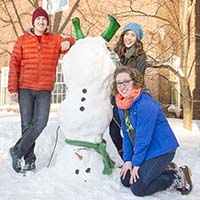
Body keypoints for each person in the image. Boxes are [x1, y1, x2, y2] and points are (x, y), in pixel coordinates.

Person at [8, 7, 75, 173]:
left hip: (44, 89)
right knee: (26, 124)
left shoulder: (54, 40)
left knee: (41, 123)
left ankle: (17, 151)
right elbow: (14, 64)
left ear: (47, 24)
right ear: (33, 22)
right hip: (25, 88)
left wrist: (70, 42)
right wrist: (12, 88)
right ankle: (29, 160)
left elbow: (70, 43)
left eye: (44, 19)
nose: (41, 22)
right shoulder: (22, 40)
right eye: (38, 19)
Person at [111, 66, 192, 196]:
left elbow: (143, 139)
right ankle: (161, 169)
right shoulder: (123, 105)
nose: (122, 86)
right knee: (126, 179)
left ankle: (176, 176)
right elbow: (127, 135)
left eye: (126, 81)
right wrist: (128, 160)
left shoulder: (145, 104)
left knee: (138, 188)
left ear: (135, 82)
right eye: (119, 82)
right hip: (147, 149)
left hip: (162, 149)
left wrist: (136, 163)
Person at [109, 22, 147, 158]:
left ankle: (140, 160)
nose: (129, 37)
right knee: (114, 132)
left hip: (132, 101)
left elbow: (136, 77)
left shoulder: (140, 56)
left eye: (133, 34)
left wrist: (119, 66)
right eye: (127, 33)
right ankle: (127, 159)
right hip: (116, 99)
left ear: (137, 38)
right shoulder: (117, 52)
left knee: (131, 133)